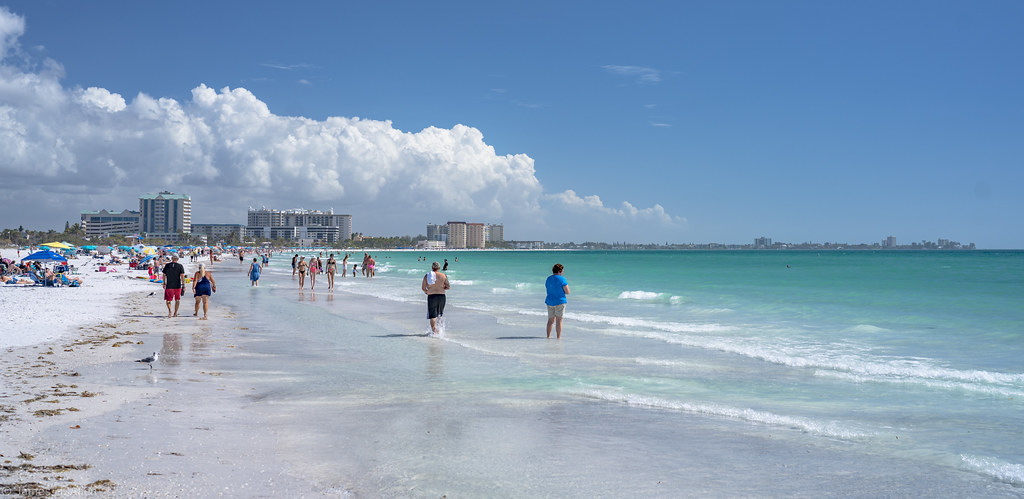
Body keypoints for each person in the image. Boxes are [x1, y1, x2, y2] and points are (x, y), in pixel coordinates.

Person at [421, 261, 450, 336]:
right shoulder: (443, 275)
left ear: (432, 267)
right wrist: (442, 287)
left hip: (432, 296)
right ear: (439, 268)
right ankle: (440, 330)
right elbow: (448, 287)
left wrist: (427, 292)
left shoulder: (427, 276)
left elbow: (423, 288)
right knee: (439, 314)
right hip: (441, 296)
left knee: (432, 315)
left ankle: (434, 332)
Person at [545, 263, 570, 339]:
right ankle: (558, 337)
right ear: (559, 271)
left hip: (550, 301)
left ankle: (548, 336)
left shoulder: (548, 278)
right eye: (562, 271)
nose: (563, 272)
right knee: (559, 321)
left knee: (550, 321)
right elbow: (567, 292)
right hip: (560, 301)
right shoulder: (562, 279)